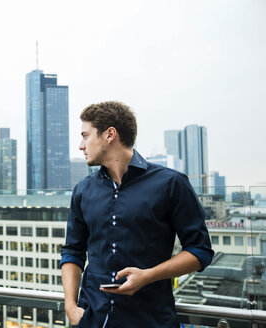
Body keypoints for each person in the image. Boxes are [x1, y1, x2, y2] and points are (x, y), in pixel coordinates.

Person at [60, 101, 213, 327]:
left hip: (149, 320)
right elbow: (73, 252)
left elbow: (199, 251)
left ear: (109, 134)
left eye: (85, 135)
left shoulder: (171, 183)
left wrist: (148, 275)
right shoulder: (83, 190)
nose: (81, 145)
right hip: (92, 319)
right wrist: (71, 308)